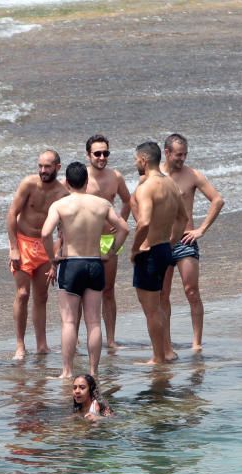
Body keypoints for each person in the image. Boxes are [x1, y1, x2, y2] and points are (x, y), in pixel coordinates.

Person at [41, 162, 128, 379]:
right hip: (94, 263)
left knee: (69, 321)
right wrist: (110, 252)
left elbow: (45, 233)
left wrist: (53, 259)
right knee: (94, 322)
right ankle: (93, 371)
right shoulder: (101, 204)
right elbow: (125, 228)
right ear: (87, 182)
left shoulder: (60, 205)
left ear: (68, 182)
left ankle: (67, 371)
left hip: (71, 263)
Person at [161, 133, 225, 351]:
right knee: (163, 294)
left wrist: (201, 229)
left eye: (185, 154)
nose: (182, 158)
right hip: (160, 241)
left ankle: (196, 342)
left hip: (185, 240)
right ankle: (166, 343)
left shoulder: (193, 175)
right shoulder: (155, 174)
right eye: (179, 155)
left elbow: (217, 200)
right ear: (167, 153)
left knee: (191, 291)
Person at [129, 141, 188, 365]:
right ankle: (165, 351)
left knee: (151, 310)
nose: (136, 163)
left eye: (136, 159)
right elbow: (183, 218)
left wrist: (135, 249)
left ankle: (157, 357)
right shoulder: (171, 184)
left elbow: (143, 222)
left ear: (144, 159)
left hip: (150, 251)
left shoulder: (146, 187)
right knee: (160, 304)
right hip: (164, 249)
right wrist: (171, 242)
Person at [6, 149, 68, 359]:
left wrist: (55, 260)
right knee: (22, 294)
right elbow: (12, 213)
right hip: (23, 243)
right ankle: (20, 345)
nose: (43, 170)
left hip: (46, 247)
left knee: (41, 296)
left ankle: (42, 345)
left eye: (47, 166)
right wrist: (13, 247)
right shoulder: (29, 184)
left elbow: (63, 230)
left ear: (57, 167)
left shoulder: (63, 194)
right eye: (40, 166)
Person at [85, 134, 134, 348]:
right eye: (97, 153)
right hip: (86, 239)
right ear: (88, 155)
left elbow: (128, 200)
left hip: (108, 238)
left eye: (106, 153)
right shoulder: (80, 177)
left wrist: (121, 219)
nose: (102, 157)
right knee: (81, 290)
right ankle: (78, 339)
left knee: (108, 290)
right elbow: (62, 201)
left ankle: (111, 339)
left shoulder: (115, 176)